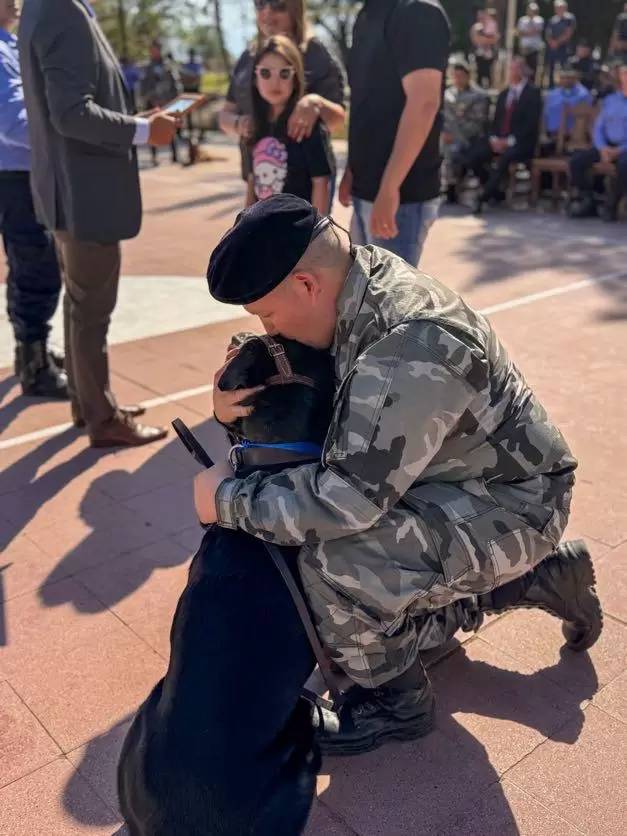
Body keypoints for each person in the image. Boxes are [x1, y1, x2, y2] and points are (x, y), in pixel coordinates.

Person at [195, 194, 602, 757]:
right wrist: (233, 391)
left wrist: (228, 499)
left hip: (517, 504)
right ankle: (532, 579)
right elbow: (297, 355)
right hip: (450, 481)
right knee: (346, 612)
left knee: (337, 568)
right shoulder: (352, 282)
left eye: (266, 316)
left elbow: (345, 502)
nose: (267, 330)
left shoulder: (409, 341)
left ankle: (396, 702)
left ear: (308, 286)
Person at [18, 0, 178, 446]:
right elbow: (71, 113)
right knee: (91, 313)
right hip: (84, 197)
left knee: (79, 306)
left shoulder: (40, 8)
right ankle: (103, 420)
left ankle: (87, 403)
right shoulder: (60, 10)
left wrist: (135, 122)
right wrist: (145, 132)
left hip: (66, 194)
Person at [339, 0, 451, 268]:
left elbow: (424, 102)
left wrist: (390, 186)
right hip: (368, 188)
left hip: (402, 197)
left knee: (389, 306)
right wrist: (352, 170)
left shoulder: (417, 11)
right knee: (365, 299)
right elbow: (367, 100)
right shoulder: (367, 15)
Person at [0, 0, 67, 398]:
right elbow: (12, 120)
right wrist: (67, 135)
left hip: (22, 174)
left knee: (28, 265)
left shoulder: (9, 42)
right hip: (15, 177)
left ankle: (32, 349)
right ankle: (34, 364)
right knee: (37, 267)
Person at [219, 0, 345, 202]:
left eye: (277, 4)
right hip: (261, 177)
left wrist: (315, 102)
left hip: (307, 187)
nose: (267, 11)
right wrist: (238, 123)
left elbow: (338, 119)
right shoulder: (247, 57)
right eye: (260, 4)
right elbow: (225, 114)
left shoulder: (316, 54)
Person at [246, 35, 333, 215]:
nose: (275, 82)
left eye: (284, 73)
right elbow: (252, 181)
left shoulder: (306, 123)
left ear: (296, 77)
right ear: (255, 78)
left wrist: (316, 235)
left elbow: (320, 182)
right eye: (265, 73)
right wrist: (242, 226)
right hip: (262, 228)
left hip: (298, 231)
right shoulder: (255, 124)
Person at [464, 56, 542, 216]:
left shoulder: (533, 94)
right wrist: (494, 138)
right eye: (510, 69)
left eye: (515, 69)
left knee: (506, 158)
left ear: (523, 71)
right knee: (473, 156)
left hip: (521, 142)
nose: (512, 72)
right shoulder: (504, 94)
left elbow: (531, 124)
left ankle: (483, 197)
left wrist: (509, 141)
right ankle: (494, 189)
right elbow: (495, 122)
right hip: (499, 139)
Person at [569, 61, 627, 223]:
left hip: (624, 149)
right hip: (606, 145)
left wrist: (620, 150)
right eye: (624, 75)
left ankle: (612, 206)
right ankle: (589, 202)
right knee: (577, 161)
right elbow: (599, 127)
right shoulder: (610, 100)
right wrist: (602, 148)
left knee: (624, 167)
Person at [441, 58, 489, 204]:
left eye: (461, 75)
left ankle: (452, 188)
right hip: (447, 137)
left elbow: (477, 123)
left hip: (469, 138)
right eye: (455, 75)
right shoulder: (447, 95)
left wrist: (458, 136)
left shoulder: (478, 96)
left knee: (453, 151)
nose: (457, 79)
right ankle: (447, 187)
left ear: (468, 75)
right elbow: (443, 119)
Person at [139, 40, 181, 166]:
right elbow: (143, 86)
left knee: (171, 127)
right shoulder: (148, 67)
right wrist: (148, 98)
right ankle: (154, 156)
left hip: (167, 102)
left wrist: (176, 101)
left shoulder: (167, 66)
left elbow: (175, 84)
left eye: (155, 49)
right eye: (151, 50)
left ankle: (175, 155)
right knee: (151, 129)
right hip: (153, 103)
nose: (153, 52)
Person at [541, 63, 593, 156]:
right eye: (563, 76)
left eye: (569, 76)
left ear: (576, 76)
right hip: (551, 136)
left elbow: (586, 121)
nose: (565, 79)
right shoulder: (552, 94)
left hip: (573, 139)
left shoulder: (583, 95)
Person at [545, 0, 576, 88]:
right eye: (557, 8)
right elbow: (548, 32)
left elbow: (568, 32)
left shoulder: (569, 18)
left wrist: (557, 42)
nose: (559, 9)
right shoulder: (552, 20)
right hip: (552, 47)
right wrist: (551, 41)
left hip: (564, 47)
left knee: (564, 67)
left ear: (565, 8)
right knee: (551, 67)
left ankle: (564, 85)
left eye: (561, 7)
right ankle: (550, 86)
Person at [471, 7, 500, 90]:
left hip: (489, 54)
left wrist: (486, 40)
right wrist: (485, 39)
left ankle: (489, 90)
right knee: (479, 73)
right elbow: (475, 39)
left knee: (488, 73)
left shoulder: (492, 25)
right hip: (479, 53)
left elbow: (495, 38)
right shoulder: (476, 27)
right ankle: (478, 89)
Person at [516, 2, 545, 83]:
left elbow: (537, 32)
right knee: (523, 68)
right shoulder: (522, 20)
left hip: (534, 49)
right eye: (530, 10)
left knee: (533, 69)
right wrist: (528, 32)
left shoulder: (539, 20)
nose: (531, 12)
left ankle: (531, 85)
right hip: (524, 49)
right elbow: (518, 33)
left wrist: (525, 32)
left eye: (534, 10)